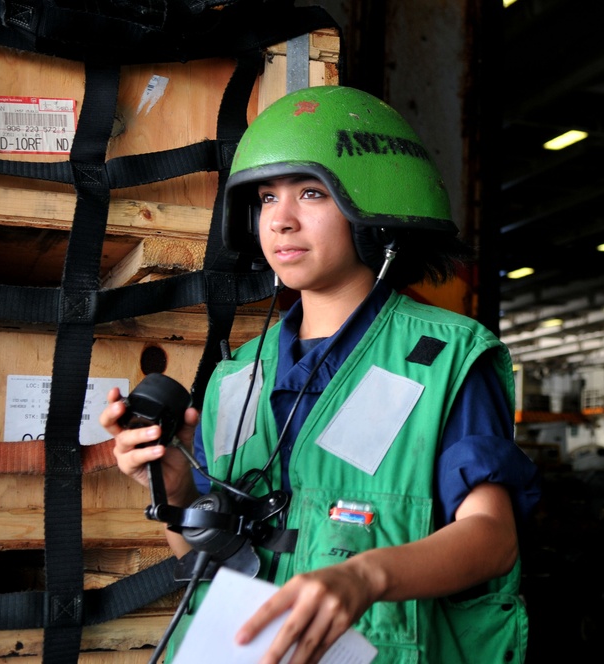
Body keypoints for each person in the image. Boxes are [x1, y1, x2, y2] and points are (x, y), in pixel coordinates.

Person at [100, 85, 539, 663]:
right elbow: (200, 556)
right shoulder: (237, 376)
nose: (280, 220)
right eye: (265, 198)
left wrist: (365, 577)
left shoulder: (444, 359)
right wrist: (178, 491)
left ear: (375, 215)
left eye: (311, 193)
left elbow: (493, 539)